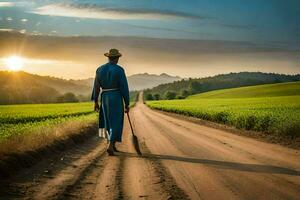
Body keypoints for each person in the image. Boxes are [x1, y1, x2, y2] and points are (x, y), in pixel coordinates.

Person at [91, 48, 130, 156]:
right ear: (117, 58)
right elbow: (124, 87)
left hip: (104, 97)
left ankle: (110, 143)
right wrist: (127, 103)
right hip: (116, 97)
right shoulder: (119, 70)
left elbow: (96, 87)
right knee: (116, 121)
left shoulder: (99, 69)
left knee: (106, 121)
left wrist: (95, 102)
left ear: (108, 58)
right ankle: (111, 145)